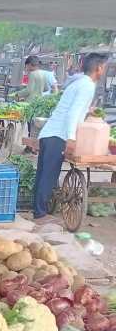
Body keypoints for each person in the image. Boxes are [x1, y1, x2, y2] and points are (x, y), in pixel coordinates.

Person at [33, 52, 108, 223]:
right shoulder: (87, 85)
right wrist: (71, 138)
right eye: (104, 67)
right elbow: (72, 113)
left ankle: (38, 211)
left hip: (49, 133)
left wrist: (87, 111)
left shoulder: (79, 83)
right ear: (99, 68)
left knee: (43, 174)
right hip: (57, 135)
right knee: (49, 176)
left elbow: (73, 109)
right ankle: (40, 214)